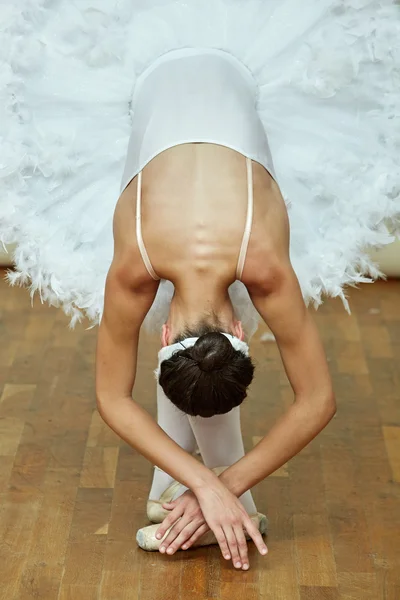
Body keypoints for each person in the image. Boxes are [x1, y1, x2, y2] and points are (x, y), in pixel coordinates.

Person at [1, 0, 399, 573]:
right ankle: (203, 497)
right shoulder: (250, 262)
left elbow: (111, 396)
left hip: (196, 78)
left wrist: (214, 485)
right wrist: (216, 486)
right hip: (191, 71)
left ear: (164, 333)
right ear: (240, 328)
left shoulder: (149, 265)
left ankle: (176, 495)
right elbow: (318, 398)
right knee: (201, 362)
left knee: (199, 362)